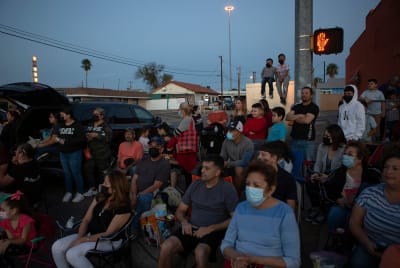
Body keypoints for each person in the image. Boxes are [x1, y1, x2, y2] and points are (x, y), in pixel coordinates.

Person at [158, 155, 238, 268]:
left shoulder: (228, 189)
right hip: (190, 227)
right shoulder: (195, 184)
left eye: (207, 168)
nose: (202, 171)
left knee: (200, 252)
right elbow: (180, 211)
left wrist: (210, 228)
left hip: (212, 231)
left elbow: (235, 218)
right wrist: (184, 222)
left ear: (217, 172)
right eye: (202, 167)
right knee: (166, 246)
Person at [221, 160, 300, 268]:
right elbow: (226, 245)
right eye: (248, 184)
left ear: (271, 190)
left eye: (257, 185)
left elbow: (293, 261)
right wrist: (237, 257)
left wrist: (255, 260)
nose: (250, 189)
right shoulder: (241, 209)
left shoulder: (285, 213)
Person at [51, 169, 131, 268]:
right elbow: (86, 219)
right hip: (90, 234)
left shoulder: (123, 207)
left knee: (72, 255)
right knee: (57, 246)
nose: (102, 185)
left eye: (106, 183)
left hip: (108, 241)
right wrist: (79, 238)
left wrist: (81, 240)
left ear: (115, 188)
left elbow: (108, 233)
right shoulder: (101, 197)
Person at [348, 152, 400, 268]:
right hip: (370, 246)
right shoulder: (370, 193)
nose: (388, 172)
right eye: (386, 167)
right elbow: (354, 222)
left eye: (395, 168)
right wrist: (366, 243)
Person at [323, 141, 380, 229]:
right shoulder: (338, 173)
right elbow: (328, 191)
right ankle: (337, 238)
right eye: (345, 154)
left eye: (350, 155)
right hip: (342, 207)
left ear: (360, 158)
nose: (345, 157)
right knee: (335, 213)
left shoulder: (371, 174)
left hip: (363, 210)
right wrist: (338, 200)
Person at [305, 124, 346, 224]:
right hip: (322, 173)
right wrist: (315, 173)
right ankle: (316, 208)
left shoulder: (343, 149)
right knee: (310, 182)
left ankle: (324, 211)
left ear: (336, 136)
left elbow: (342, 169)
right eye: (325, 135)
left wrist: (329, 177)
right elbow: (318, 162)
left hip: (335, 177)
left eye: (329, 136)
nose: (327, 138)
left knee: (329, 185)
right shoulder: (322, 146)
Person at [130, 137, 170, 232]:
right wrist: (133, 195)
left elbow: (156, 185)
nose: (153, 148)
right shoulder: (143, 160)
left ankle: (133, 229)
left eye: (156, 146)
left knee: (143, 199)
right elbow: (134, 179)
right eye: (151, 146)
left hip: (152, 193)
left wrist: (139, 195)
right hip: (136, 190)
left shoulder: (164, 164)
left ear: (161, 149)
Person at [55, 107, 86, 203]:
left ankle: (80, 193)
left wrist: (67, 142)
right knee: (67, 173)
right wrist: (58, 139)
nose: (61, 116)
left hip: (74, 153)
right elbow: (57, 136)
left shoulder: (77, 126)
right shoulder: (61, 125)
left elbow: (82, 139)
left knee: (76, 173)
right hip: (63, 153)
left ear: (69, 115)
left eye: (63, 114)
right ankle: (68, 192)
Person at [0, 191, 37, 267]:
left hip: (28, 244)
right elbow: (12, 238)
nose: (1, 212)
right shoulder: (5, 222)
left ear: (14, 211)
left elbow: (23, 240)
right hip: (16, 241)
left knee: (4, 251)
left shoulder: (26, 220)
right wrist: (5, 241)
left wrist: (8, 242)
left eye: (3, 210)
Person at [258, 142, 297, 210]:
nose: (259, 157)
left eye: (263, 154)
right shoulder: (255, 175)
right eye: (259, 154)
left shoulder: (287, 178)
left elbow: (290, 205)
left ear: (274, 158)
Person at [83, 107, 113, 197]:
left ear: (102, 116)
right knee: (88, 170)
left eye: (96, 114)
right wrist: (88, 137)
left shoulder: (105, 126)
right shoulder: (90, 125)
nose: (94, 116)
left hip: (102, 153)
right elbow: (86, 135)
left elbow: (109, 138)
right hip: (90, 153)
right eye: (93, 114)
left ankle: (102, 191)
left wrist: (97, 135)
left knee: (102, 172)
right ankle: (92, 189)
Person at [220, 120, 254, 195]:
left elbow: (245, 162)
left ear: (239, 132)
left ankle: (237, 193)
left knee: (238, 169)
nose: (229, 132)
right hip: (232, 163)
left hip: (246, 165)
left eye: (232, 130)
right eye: (229, 130)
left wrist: (228, 164)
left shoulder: (248, 143)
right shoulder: (226, 141)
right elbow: (223, 156)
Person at [286, 86, 319, 161]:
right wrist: (300, 115)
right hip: (294, 139)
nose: (304, 95)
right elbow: (287, 117)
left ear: (311, 95)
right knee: (294, 163)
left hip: (307, 141)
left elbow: (307, 121)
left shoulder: (314, 107)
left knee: (308, 164)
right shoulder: (297, 106)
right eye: (302, 93)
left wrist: (294, 117)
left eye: (306, 93)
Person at [173, 102, 198, 185]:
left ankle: (189, 190)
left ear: (183, 111)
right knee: (188, 171)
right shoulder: (190, 118)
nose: (179, 111)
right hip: (189, 148)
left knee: (186, 170)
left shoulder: (186, 120)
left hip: (185, 149)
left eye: (179, 110)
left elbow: (176, 133)